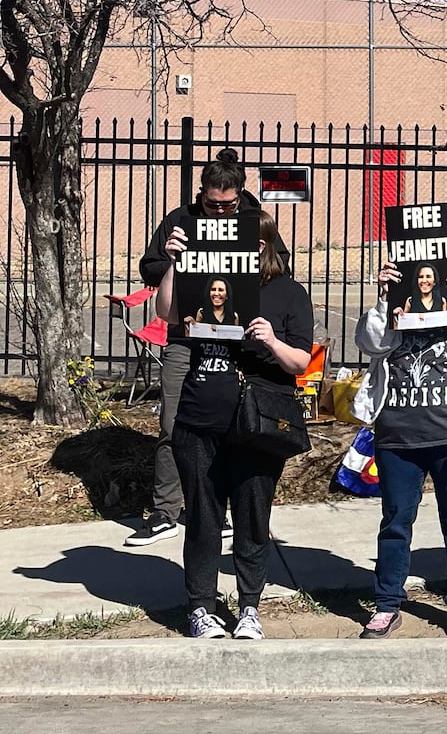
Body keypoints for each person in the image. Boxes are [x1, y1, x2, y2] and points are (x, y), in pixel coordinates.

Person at [155, 210, 312, 639]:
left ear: (261, 247)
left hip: (258, 422)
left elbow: (301, 361)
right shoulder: (208, 281)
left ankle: (249, 608)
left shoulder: (287, 293)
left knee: (252, 517)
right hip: (201, 416)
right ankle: (201, 607)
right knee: (204, 518)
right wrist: (174, 262)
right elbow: (167, 313)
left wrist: (272, 341)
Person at [127, 148, 290, 548]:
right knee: (173, 422)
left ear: (240, 194)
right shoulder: (181, 220)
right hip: (187, 337)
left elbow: (282, 266)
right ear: (201, 193)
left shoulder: (255, 223)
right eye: (211, 204)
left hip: (240, 342)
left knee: (239, 426)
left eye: (228, 205)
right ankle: (167, 510)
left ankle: (232, 510)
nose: (219, 211)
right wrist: (171, 258)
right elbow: (147, 268)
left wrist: (259, 257)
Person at [353, 258, 447, 640]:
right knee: (395, 522)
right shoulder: (395, 298)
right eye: (418, 273)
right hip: (398, 435)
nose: (425, 279)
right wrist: (385, 300)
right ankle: (387, 603)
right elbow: (370, 343)